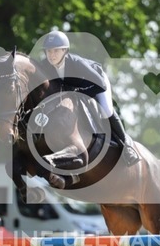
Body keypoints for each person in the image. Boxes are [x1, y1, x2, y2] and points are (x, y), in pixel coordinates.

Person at [39, 30, 140, 166]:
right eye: (48, 51)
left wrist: (82, 93)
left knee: (106, 110)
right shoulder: (45, 65)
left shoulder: (76, 63)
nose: (51, 55)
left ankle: (127, 146)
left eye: (56, 51)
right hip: (75, 90)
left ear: (64, 51)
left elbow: (101, 85)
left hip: (96, 83)